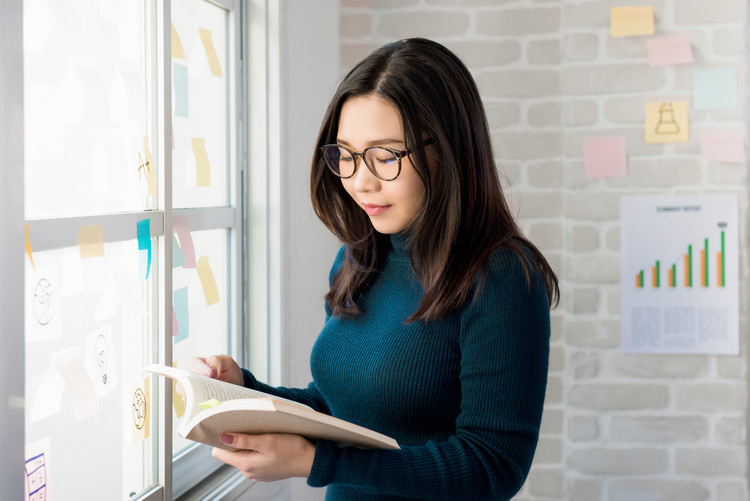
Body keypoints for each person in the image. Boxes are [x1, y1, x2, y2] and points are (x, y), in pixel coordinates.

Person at [192, 37, 559, 500]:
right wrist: (243, 391)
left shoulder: (501, 276)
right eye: (345, 155)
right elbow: (342, 409)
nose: (359, 181)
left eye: (385, 156)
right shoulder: (361, 254)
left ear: (447, 150)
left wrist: (315, 461)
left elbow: (492, 466)